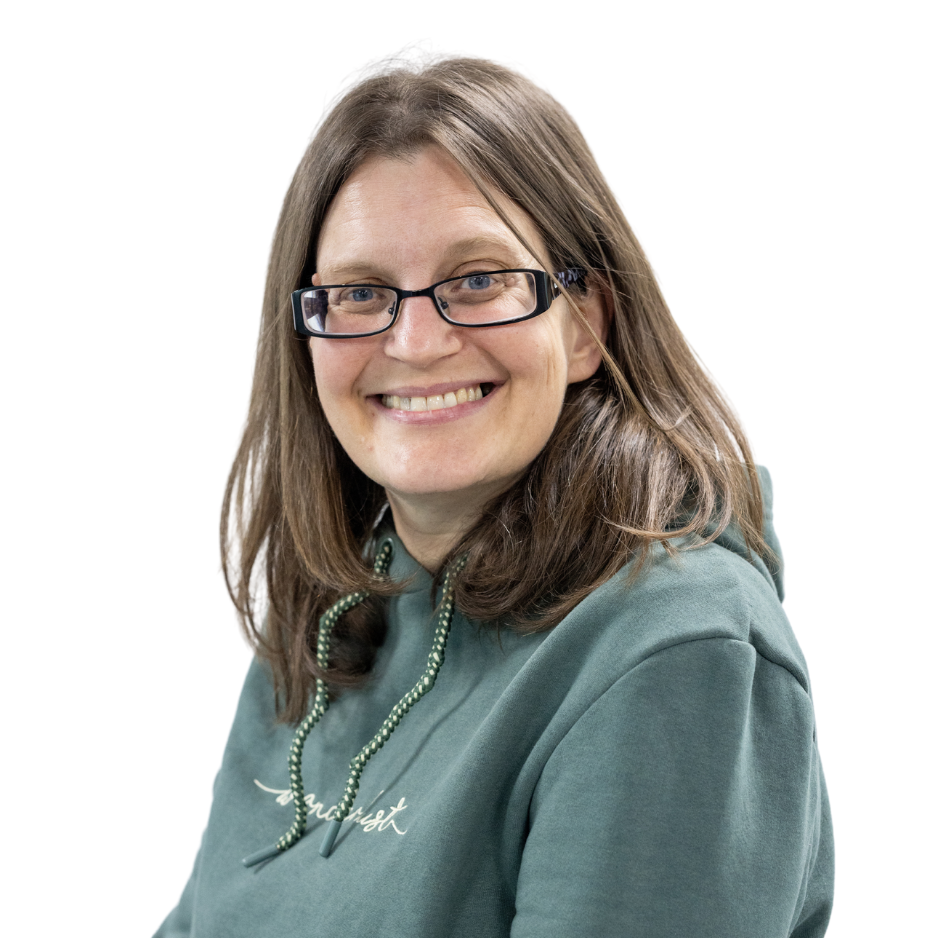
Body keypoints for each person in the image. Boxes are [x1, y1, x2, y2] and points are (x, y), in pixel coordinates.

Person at [155, 57, 833, 937]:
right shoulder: (340, 611)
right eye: (360, 293)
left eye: (477, 280)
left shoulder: (676, 653)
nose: (417, 340)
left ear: (586, 322)